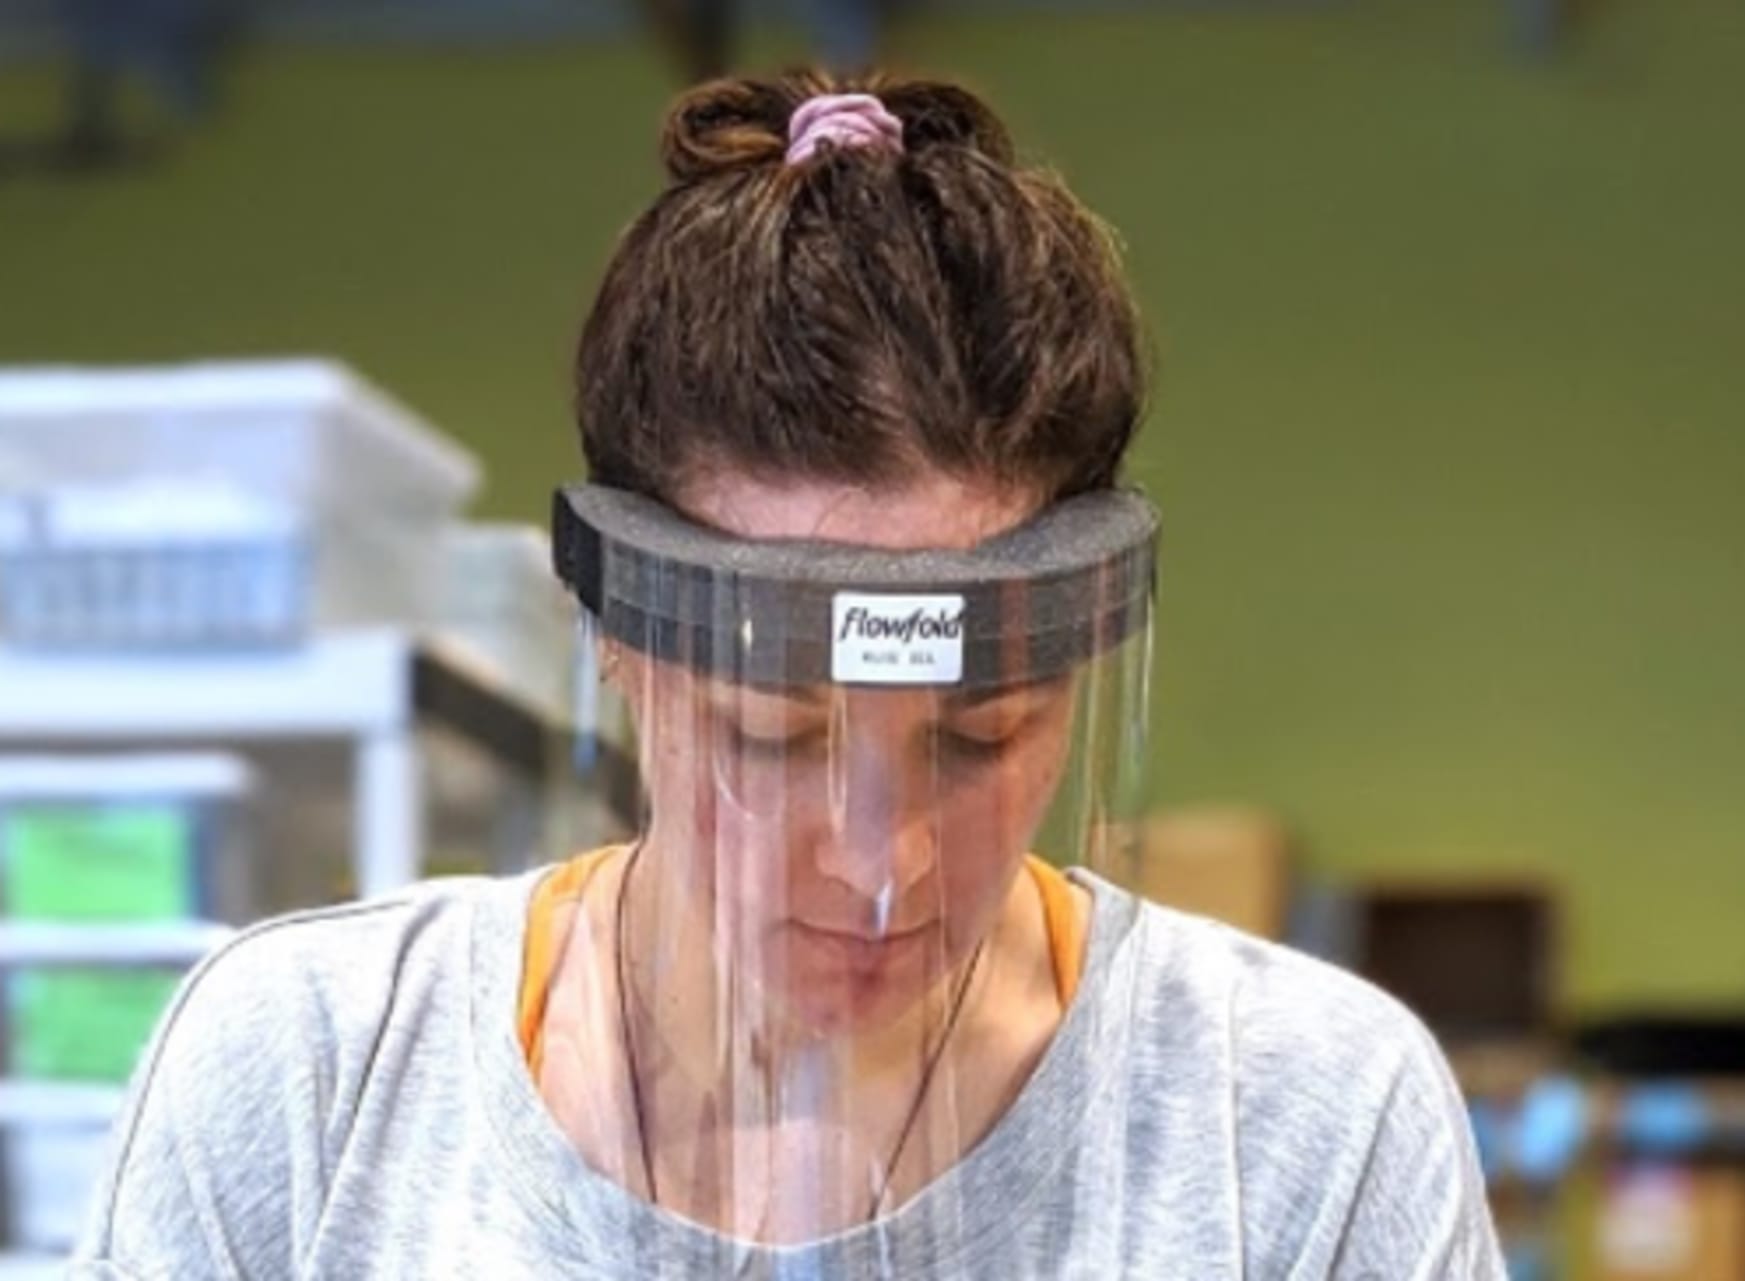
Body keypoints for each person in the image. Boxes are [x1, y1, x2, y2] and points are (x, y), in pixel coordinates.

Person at [74, 71, 1504, 1278]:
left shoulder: (1311, 1118)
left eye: (981, 735)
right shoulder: (313, 1074)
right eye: (766, 734)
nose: (881, 863)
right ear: (616, 642)